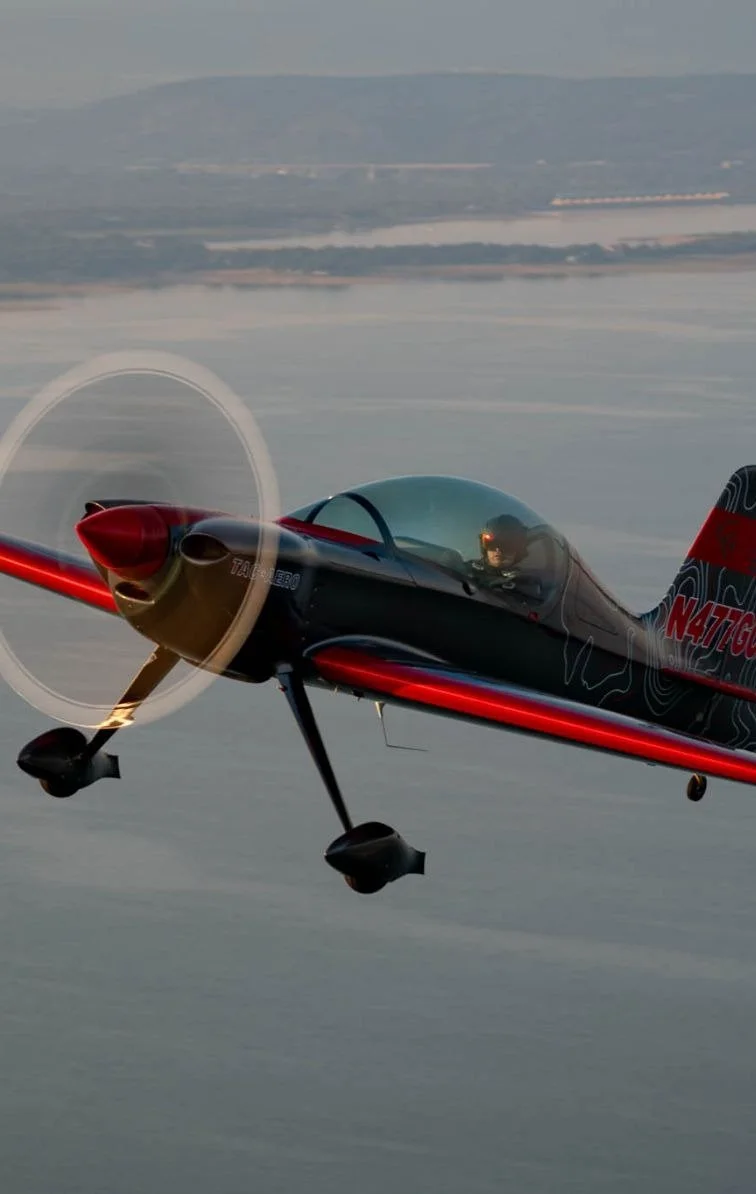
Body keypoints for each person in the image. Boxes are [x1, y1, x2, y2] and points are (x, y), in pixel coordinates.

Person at [468, 513, 542, 600]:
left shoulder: (527, 584)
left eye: (506, 545)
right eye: (492, 543)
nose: (498, 550)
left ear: (519, 549)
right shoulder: (467, 569)